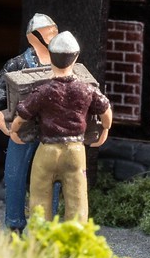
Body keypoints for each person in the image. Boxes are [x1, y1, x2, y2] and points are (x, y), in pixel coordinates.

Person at [9, 31, 112, 223]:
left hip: (47, 149)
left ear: (51, 57)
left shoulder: (42, 90)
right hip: (75, 151)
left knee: (40, 199)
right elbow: (106, 111)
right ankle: (76, 236)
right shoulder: (87, 89)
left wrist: (14, 130)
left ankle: (40, 236)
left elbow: (22, 115)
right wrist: (105, 130)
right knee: (77, 200)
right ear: (76, 57)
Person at [0, 13, 58, 231]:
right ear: (33, 36)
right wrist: (2, 117)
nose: (53, 36)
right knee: (15, 174)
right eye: (48, 32)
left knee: (54, 176)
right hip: (22, 127)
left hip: (52, 129)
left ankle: (50, 223)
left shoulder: (62, 61)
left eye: (54, 31)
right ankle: (14, 223)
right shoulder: (17, 64)